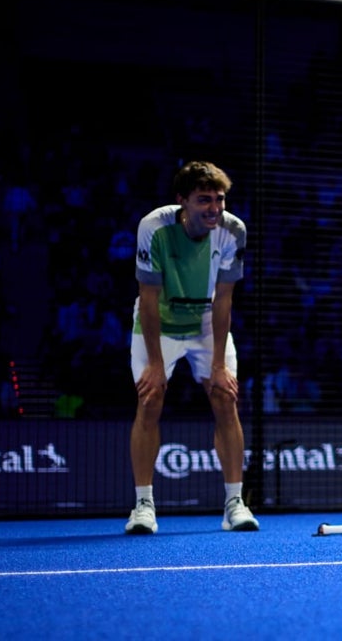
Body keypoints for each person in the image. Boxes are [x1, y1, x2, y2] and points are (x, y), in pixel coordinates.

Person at [124, 160, 259, 534]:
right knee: (150, 399)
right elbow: (148, 299)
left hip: (205, 324)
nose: (214, 208)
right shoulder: (154, 228)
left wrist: (218, 365)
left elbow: (224, 300)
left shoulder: (233, 230)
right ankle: (143, 506)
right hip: (159, 324)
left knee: (225, 397)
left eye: (219, 199)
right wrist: (154, 363)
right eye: (204, 200)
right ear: (182, 201)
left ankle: (235, 503)